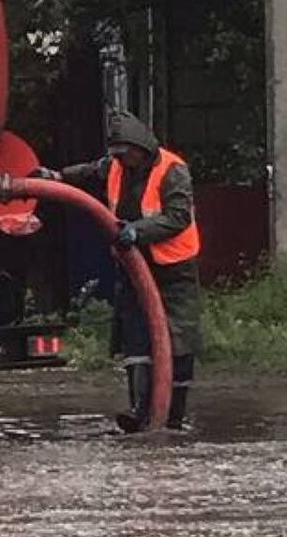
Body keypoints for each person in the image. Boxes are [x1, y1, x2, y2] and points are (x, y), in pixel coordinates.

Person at [33, 110, 202, 432]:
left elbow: (178, 217)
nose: (122, 162)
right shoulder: (114, 166)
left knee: (178, 340)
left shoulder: (172, 170)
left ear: (141, 148)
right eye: (118, 156)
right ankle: (140, 412)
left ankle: (173, 417)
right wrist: (56, 177)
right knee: (135, 339)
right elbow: (89, 172)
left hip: (172, 269)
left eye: (127, 155)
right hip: (132, 266)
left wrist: (137, 231)